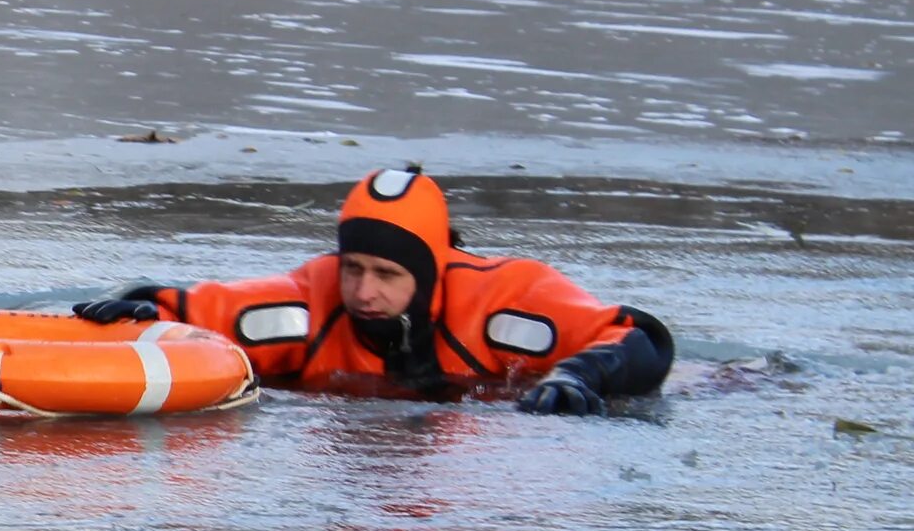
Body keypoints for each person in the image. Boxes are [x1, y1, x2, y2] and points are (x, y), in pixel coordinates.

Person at [72, 165, 673, 413]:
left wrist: (576, 378)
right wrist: (149, 305)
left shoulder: (506, 298)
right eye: (353, 267)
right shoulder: (316, 295)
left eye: (388, 275)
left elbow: (639, 339)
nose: (362, 291)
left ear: (430, 271)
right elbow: (207, 312)